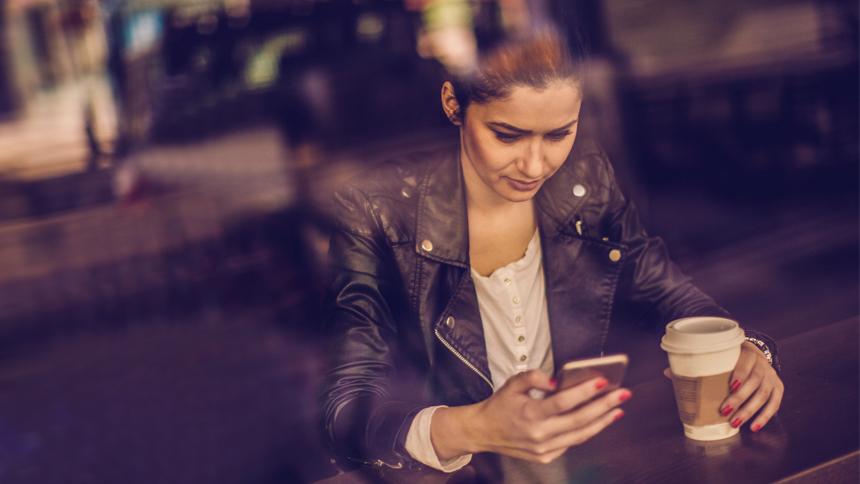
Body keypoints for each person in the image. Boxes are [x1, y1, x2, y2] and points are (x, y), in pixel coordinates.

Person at [319, 33, 783, 472]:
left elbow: (668, 292)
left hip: (590, 466)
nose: (536, 165)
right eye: (507, 135)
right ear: (453, 104)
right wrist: (473, 427)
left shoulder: (584, 180)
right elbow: (345, 410)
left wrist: (748, 350)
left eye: (559, 134)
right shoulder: (374, 212)